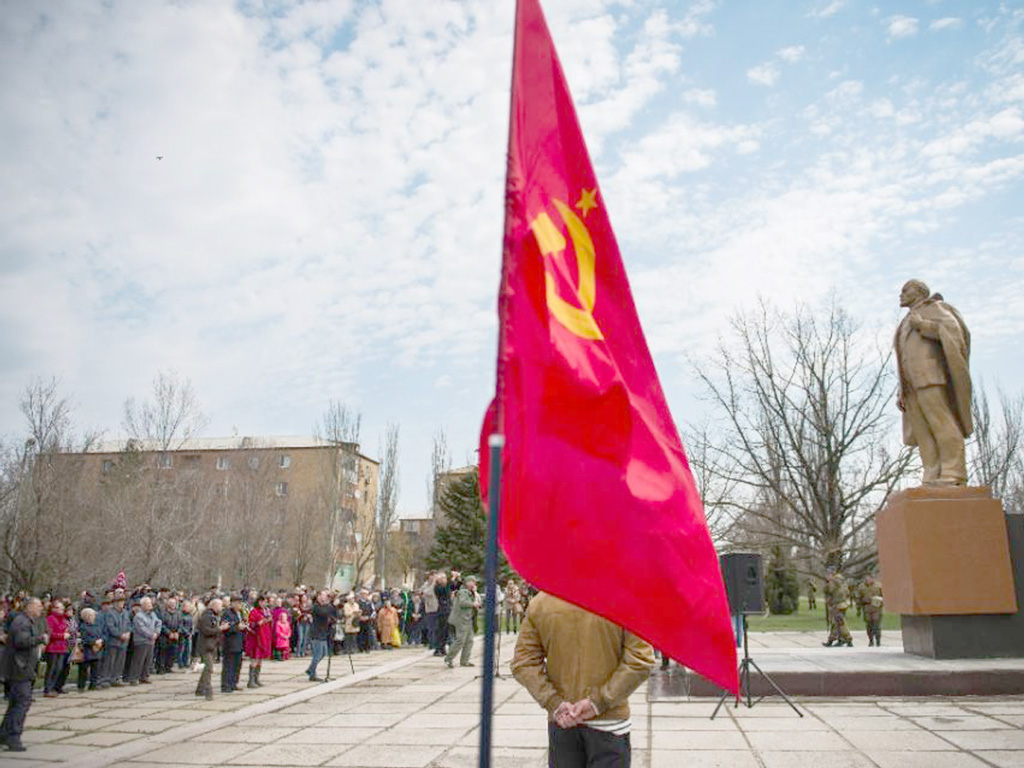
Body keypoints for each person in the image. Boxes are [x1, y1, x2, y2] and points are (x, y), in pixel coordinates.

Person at [511, 592, 655, 768]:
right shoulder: (623, 598)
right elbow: (641, 660)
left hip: (563, 719)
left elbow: (523, 662)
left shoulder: (541, 602)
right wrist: (599, 701)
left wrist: (553, 702)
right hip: (609, 721)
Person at [895, 279, 972, 485]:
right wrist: (901, 390)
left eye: (905, 290)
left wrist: (923, 326)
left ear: (919, 292)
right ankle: (932, 473)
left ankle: (953, 472)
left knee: (941, 422)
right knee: (923, 431)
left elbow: (953, 332)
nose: (900, 294)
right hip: (911, 383)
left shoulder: (935, 308)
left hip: (930, 376)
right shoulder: (904, 321)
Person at [1, 598, 48, 752]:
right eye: (38, 606)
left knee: (15, 703)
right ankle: (13, 737)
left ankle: (4, 733)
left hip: (21, 668)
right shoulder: (22, 622)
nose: (41, 608)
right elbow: (21, 642)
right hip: (19, 669)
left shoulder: (25, 620)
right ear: (29, 607)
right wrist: (40, 639)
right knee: (22, 703)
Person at [445, 576, 481, 668]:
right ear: (468, 582)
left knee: (469, 640)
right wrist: (473, 604)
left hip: (467, 619)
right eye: (473, 582)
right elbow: (462, 603)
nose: (474, 584)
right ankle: (449, 658)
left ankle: (465, 660)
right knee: (460, 640)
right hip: (461, 619)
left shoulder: (470, 592)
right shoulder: (463, 592)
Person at [99, 591, 131, 688]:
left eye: (123, 602)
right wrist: (120, 635)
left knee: (120, 661)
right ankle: (106, 679)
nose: (122, 604)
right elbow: (110, 627)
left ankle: (116, 678)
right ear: (115, 603)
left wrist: (128, 633)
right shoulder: (110, 613)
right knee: (110, 661)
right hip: (113, 641)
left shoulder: (125, 613)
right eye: (119, 602)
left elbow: (129, 624)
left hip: (123, 642)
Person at [127, 596, 162, 684]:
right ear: (142, 605)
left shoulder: (153, 614)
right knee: (139, 660)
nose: (150, 605)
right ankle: (134, 678)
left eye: (150, 603)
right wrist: (151, 635)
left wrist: (156, 632)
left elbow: (158, 622)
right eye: (148, 604)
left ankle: (144, 676)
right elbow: (141, 629)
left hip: (151, 641)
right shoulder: (138, 616)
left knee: (148, 660)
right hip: (141, 641)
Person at [195, 598, 224, 700]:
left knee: (208, 668)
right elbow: (206, 630)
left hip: (210, 645)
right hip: (205, 646)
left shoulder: (212, 615)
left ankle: (200, 689)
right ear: (214, 606)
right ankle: (208, 691)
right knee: (208, 669)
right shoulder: (207, 616)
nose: (221, 608)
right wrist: (219, 629)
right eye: (220, 606)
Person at [306, 590, 336, 681]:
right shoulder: (316, 607)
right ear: (319, 597)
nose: (326, 597)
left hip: (323, 632)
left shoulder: (326, 606)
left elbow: (333, 613)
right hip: (316, 633)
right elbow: (324, 613)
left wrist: (334, 605)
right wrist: (332, 604)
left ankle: (311, 669)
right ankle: (312, 673)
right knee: (317, 654)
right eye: (324, 595)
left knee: (323, 653)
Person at [244, 593, 273, 688]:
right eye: (264, 602)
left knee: (260, 660)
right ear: (259, 602)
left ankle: (256, 679)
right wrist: (259, 623)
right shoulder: (254, 611)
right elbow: (250, 624)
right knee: (254, 659)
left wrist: (268, 620)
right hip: (256, 639)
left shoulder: (265, 611)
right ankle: (251, 681)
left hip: (264, 637)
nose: (265, 604)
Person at [221, 594, 247, 693]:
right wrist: (237, 627)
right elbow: (225, 628)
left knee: (237, 665)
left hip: (239, 642)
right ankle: (226, 685)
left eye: (240, 603)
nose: (239, 605)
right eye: (237, 603)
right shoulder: (227, 613)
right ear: (232, 603)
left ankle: (234, 683)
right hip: (230, 643)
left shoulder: (240, 613)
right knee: (229, 665)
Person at [43, 600, 70, 697]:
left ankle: (54, 687)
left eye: (63, 608)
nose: (62, 610)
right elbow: (50, 633)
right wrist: (62, 636)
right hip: (53, 647)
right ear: (53, 608)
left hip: (62, 647)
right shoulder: (50, 618)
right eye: (59, 608)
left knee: (59, 668)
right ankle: (47, 689)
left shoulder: (63, 619)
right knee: (51, 669)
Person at [822, 570, 853, 648]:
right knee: (837, 623)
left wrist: (827, 584)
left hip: (837, 605)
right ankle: (835, 640)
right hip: (843, 604)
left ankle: (848, 639)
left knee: (839, 623)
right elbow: (847, 593)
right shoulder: (843, 582)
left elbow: (828, 590)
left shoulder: (833, 583)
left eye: (828, 575)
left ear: (831, 575)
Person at [77, 608, 104, 692]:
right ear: (86, 617)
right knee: (83, 669)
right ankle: (81, 685)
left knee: (95, 669)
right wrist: (94, 642)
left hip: (97, 650)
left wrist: (101, 641)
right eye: (91, 615)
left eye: (93, 615)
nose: (93, 617)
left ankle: (93, 684)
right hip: (86, 651)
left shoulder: (97, 625)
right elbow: (84, 639)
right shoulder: (83, 627)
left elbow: (102, 634)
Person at [860, 575, 884, 647]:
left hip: (876, 608)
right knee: (869, 625)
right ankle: (871, 641)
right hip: (867, 608)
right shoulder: (862, 587)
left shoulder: (879, 586)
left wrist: (880, 601)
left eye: (870, 579)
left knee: (876, 625)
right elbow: (858, 597)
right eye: (867, 579)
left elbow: (883, 596)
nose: (868, 580)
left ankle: (878, 641)